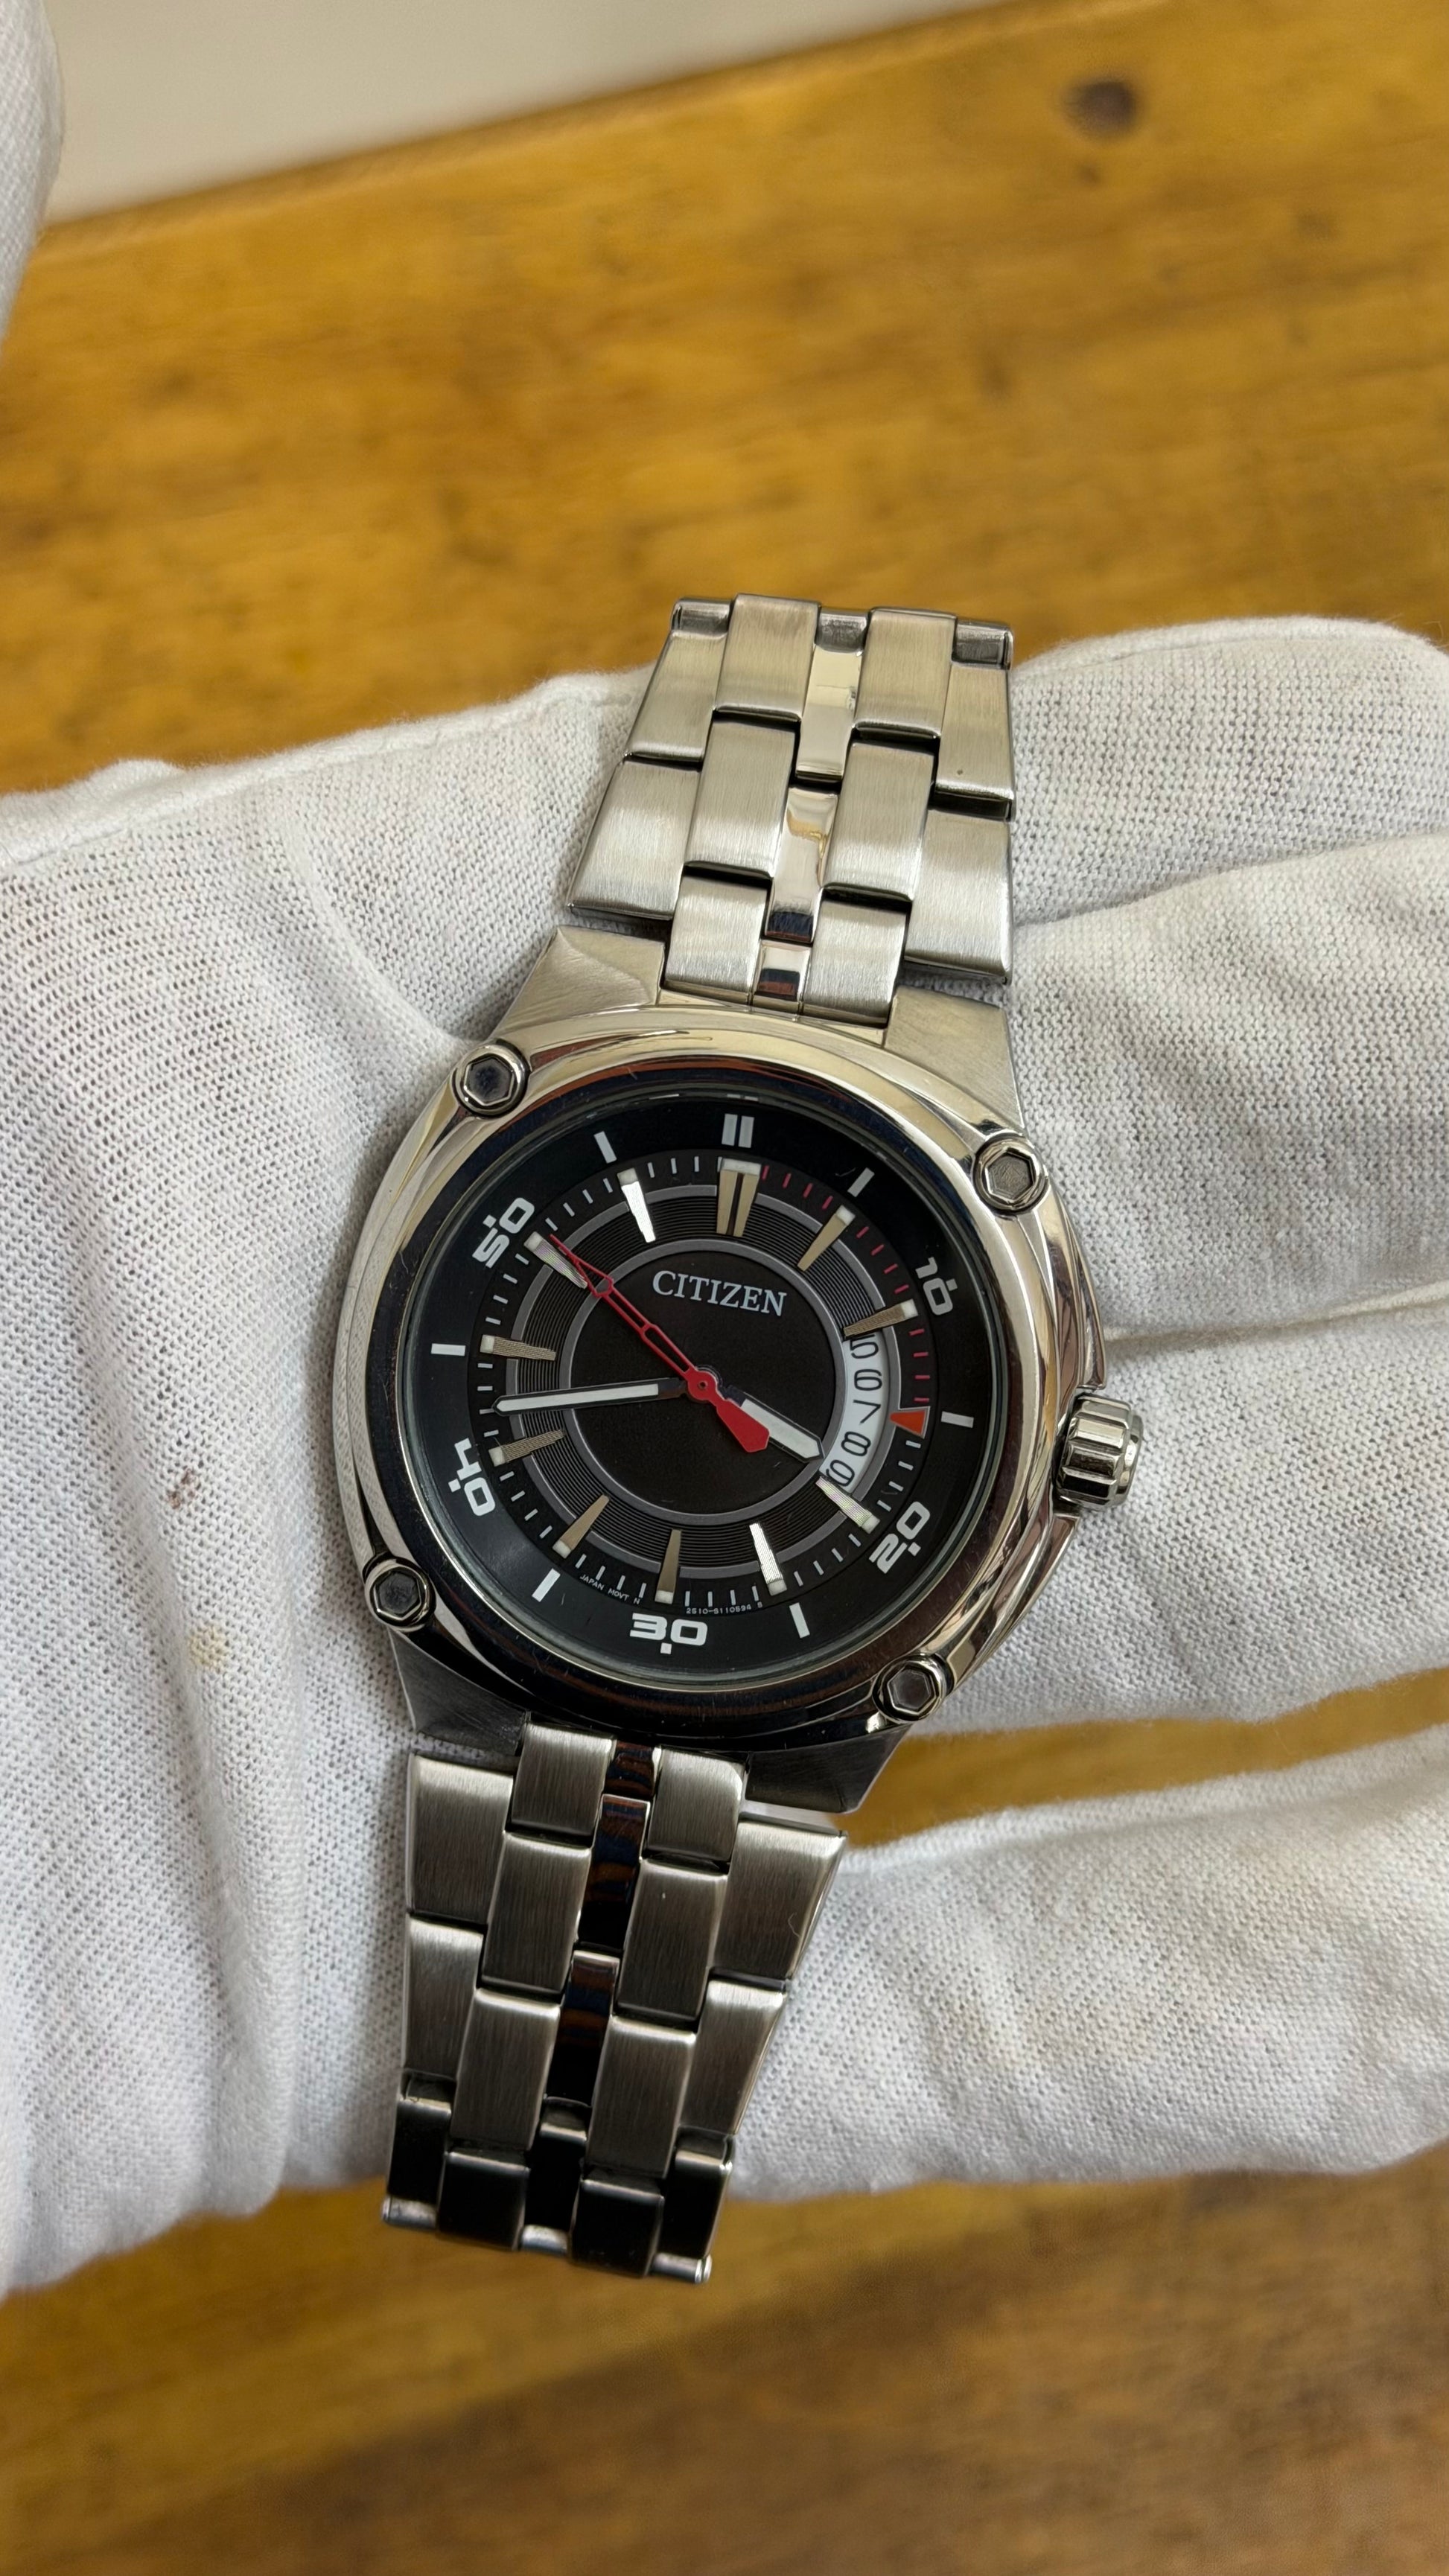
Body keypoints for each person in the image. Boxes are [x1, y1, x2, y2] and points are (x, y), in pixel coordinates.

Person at [1, 0, 1446, 2297]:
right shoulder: (568, 1301)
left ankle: (537, 2104)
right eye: (683, 1371)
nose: (703, 1383)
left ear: (1054, 1457)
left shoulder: (908, 1457)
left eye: (720, 1387)